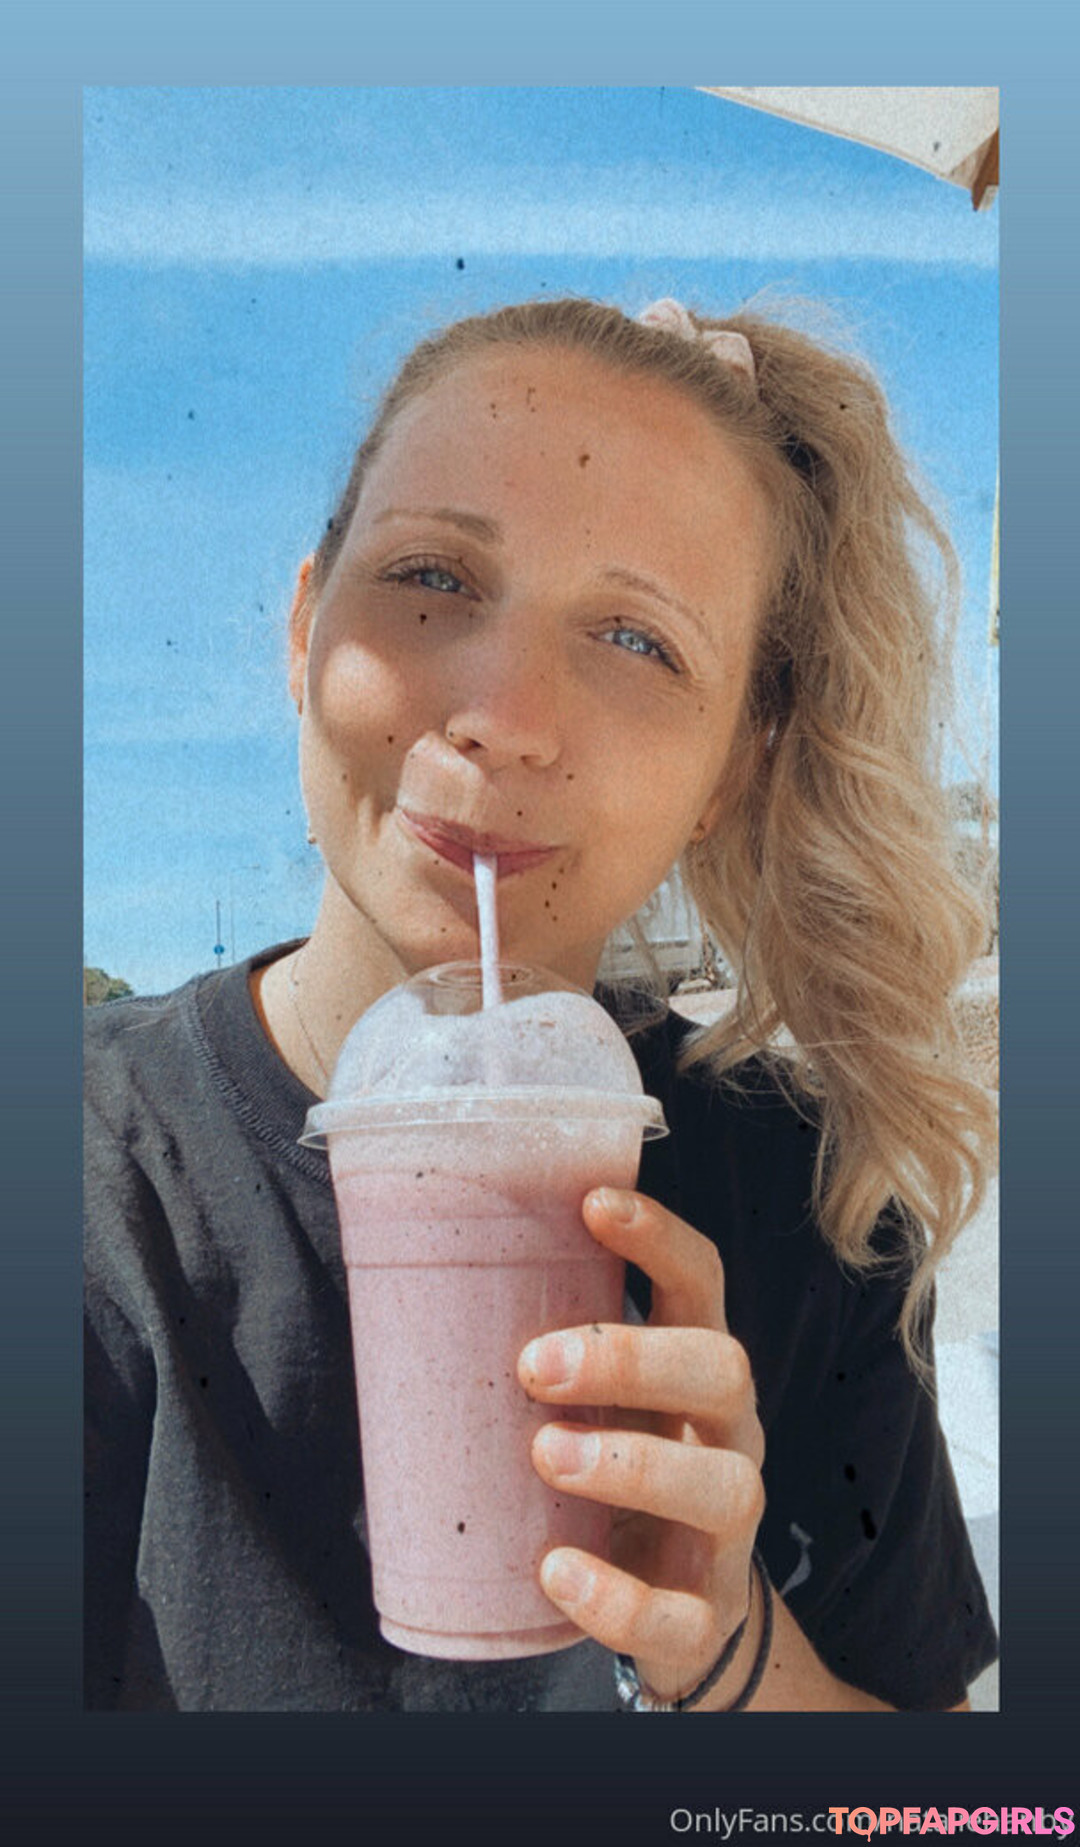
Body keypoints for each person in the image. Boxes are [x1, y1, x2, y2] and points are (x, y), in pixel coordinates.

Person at [84, 294, 998, 1712]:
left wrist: (734, 1655)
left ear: (730, 773)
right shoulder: (85, 1176)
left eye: (637, 640)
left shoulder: (815, 1203)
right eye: (432, 575)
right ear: (306, 629)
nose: (504, 714)